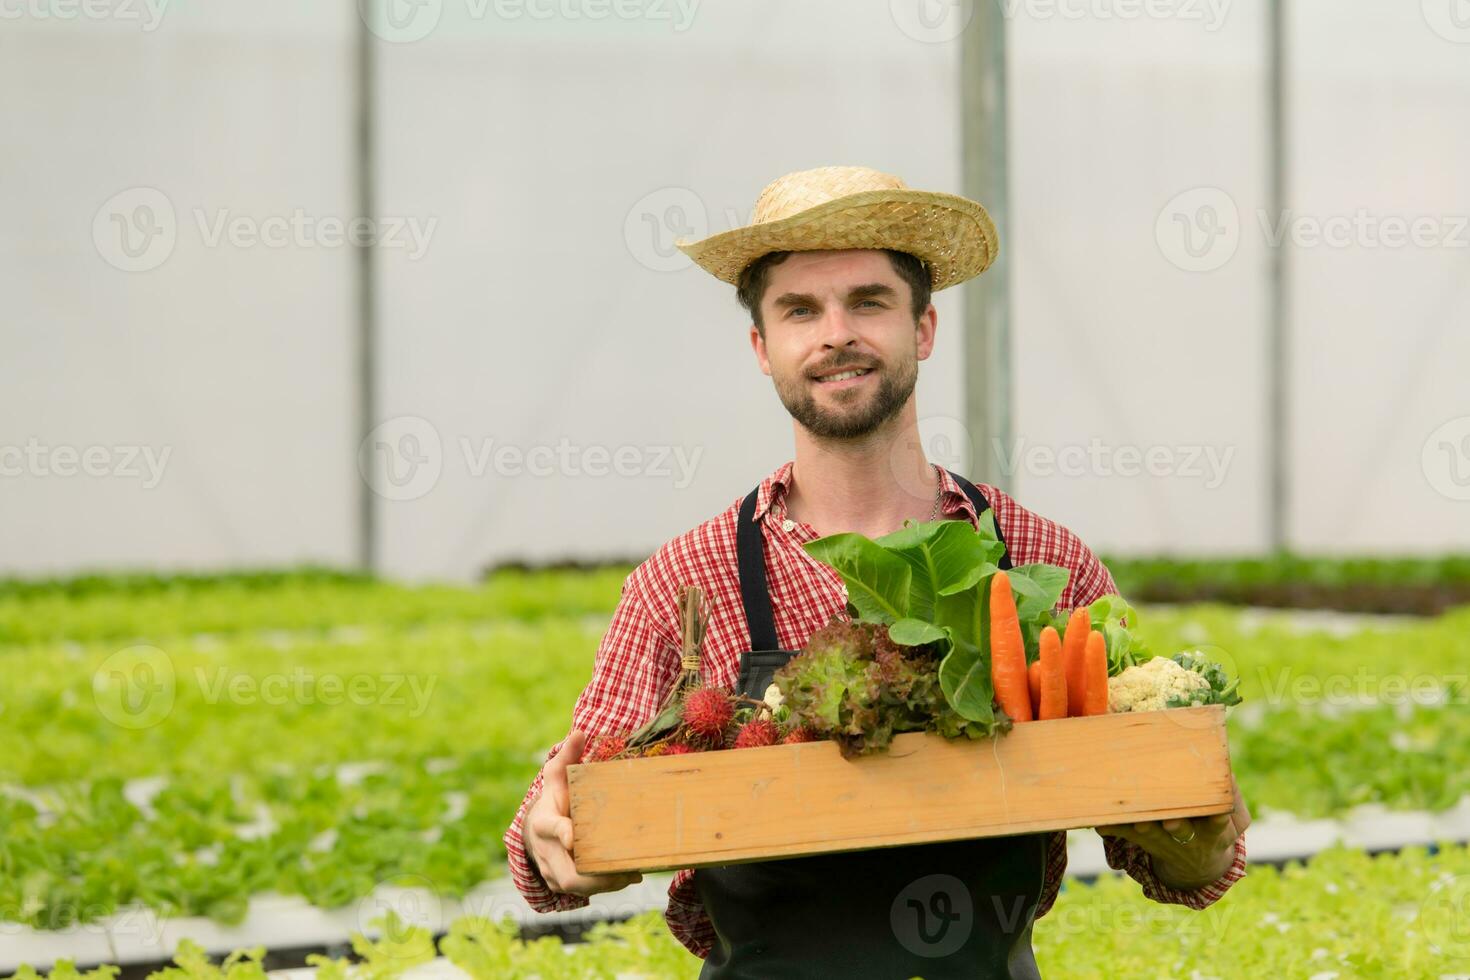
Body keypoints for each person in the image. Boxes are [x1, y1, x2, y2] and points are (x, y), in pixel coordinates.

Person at [503, 165, 1250, 978]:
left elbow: (1183, 864)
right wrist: (557, 837)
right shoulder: (688, 581)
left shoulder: (1042, 561)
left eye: (868, 301)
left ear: (923, 329)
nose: (836, 335)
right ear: (762, 347)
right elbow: (547, 851)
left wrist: (1198, 845)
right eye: (800, 310)